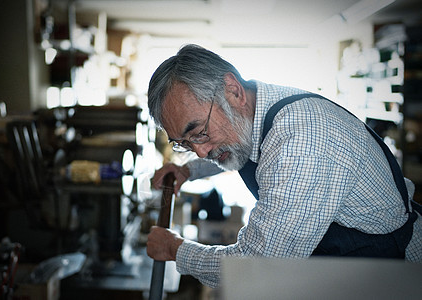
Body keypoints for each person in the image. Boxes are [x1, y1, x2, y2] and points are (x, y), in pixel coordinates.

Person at [146, 44, 422, 288]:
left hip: (398, 276)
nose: (201, 150)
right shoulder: (254, 112)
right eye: (184, 143)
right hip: (351, 269)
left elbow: (257, 267)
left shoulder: (302, 140)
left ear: (232, 91)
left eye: (199, 132)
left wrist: (175, 249)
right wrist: (188, 170)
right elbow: (237, 149)